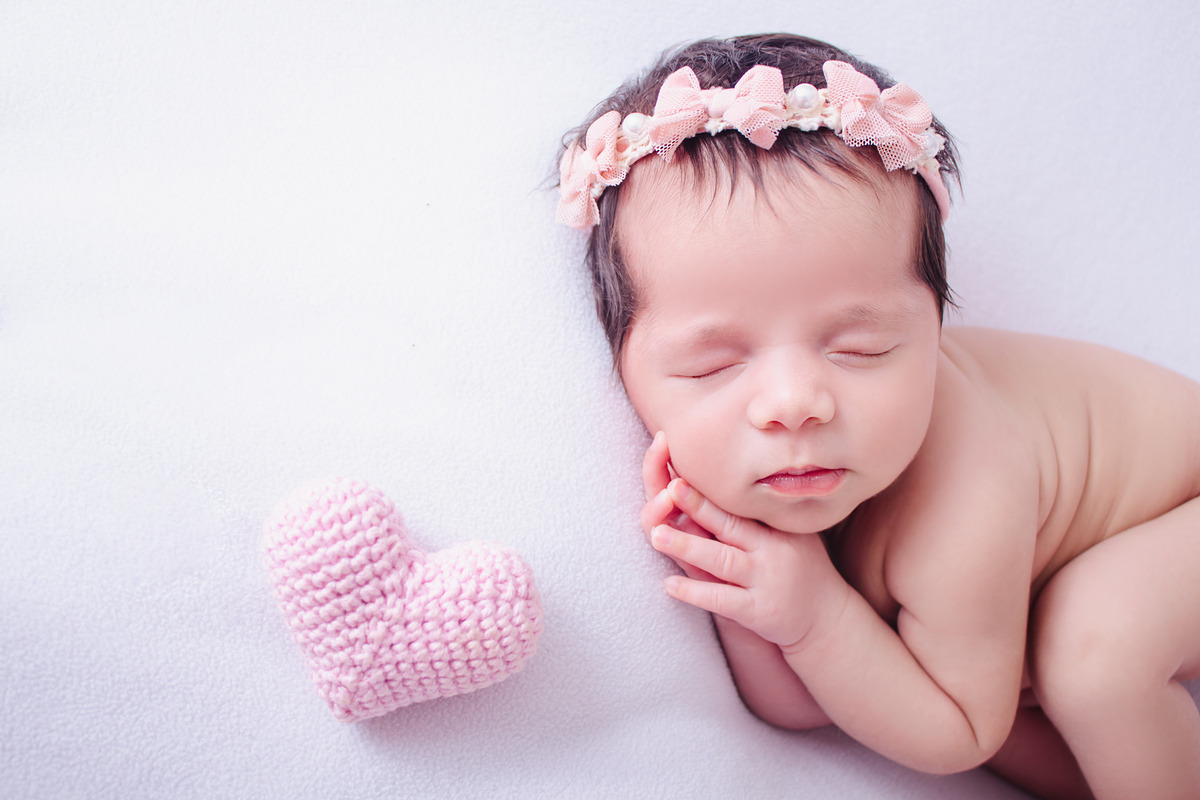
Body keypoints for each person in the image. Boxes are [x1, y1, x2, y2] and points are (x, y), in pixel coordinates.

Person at [555, 33, 1200, 800]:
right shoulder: (760, 474)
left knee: (1094, 651)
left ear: (934, 329)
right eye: (713, 365)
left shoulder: (965, 492)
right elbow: (805, 706)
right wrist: (755, 596)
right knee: (1043, 699)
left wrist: (821, 617)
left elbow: (962, 730)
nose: (795, 403)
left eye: (860, 349)